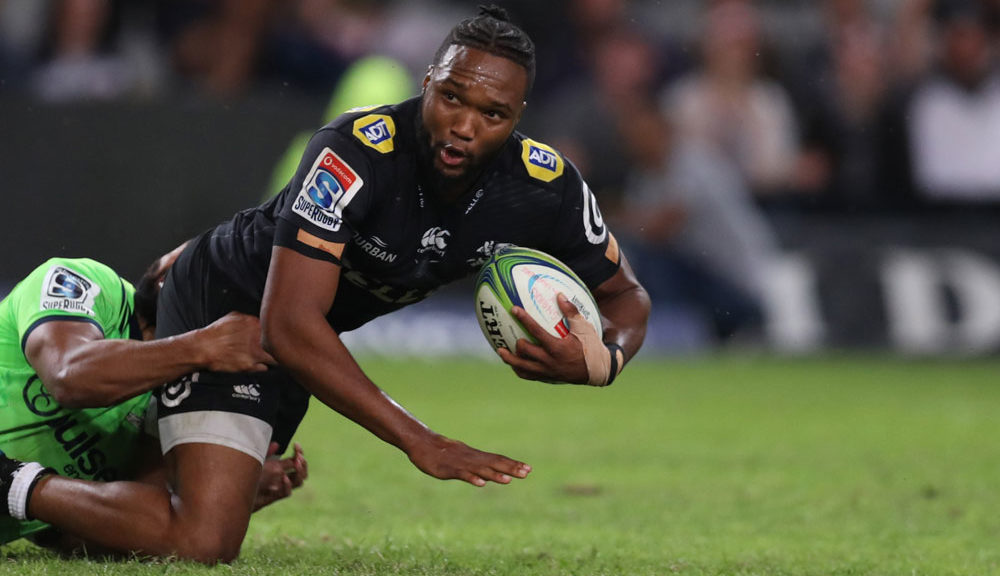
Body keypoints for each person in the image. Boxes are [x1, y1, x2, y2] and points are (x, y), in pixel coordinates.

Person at [1, 5, 650, 564]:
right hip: (230, 301)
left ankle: (90, 489)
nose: (464, 125)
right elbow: (287, 322)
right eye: (451, 97)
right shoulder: (356, 152)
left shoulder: (545, 189)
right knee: (204, 539)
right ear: (427, 82)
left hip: (297, 347)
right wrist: (419, 439)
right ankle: (18, 484)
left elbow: (626, 300)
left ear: (517, 118)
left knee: (154, 522)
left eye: (492, 113)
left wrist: (600, 359)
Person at [0, 248, 306, 551]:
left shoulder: (184, 401)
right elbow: (68, 374)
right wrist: (202, 345)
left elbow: (80, 534)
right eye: (186, 256)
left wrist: (222, 496)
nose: (176, 261)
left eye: (203, 271)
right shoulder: (88, 284)